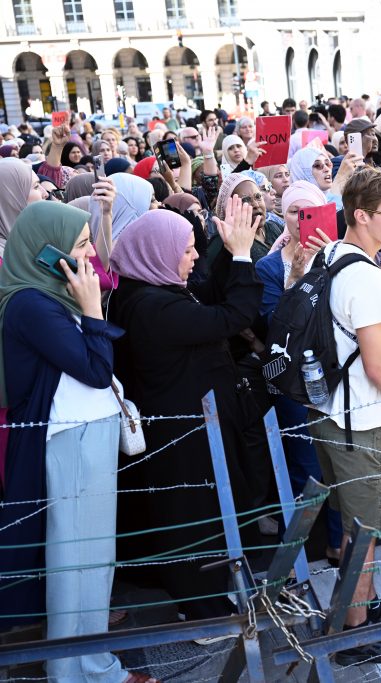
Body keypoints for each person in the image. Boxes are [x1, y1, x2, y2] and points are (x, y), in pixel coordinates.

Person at [0, 203, 154, 683]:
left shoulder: (46, 295)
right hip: (71, 439)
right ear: (46, 252)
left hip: (81, 435)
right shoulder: (31, 304)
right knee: (78, 560)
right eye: (82, 243)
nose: (89, 253)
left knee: (92, 557)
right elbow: (95, 370)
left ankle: (90, 663)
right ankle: (78, 670)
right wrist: (90, 308)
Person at [108, 201, 263, 622]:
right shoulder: (151, 305)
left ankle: (205, 595)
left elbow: (205, 296)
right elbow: (230, 316)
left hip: (191, 424)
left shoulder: (150, 288)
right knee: (194, 517)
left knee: (201, 511)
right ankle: (201, 611)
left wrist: (230, 252)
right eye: (187, 249)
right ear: (157, 251)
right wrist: (243, 256)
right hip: (185, 432)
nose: (195, 257)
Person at [306, 167, 381, 664]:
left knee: (355, 524)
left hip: (329, 411)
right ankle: (356, 632)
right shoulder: (366, 276)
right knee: (364, 530)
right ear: (361, 216)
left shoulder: (331, 254)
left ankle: (364, 609)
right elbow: (378, 366)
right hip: (359, 419)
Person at [253, 180, 345, 561]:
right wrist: (294, 277)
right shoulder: (269, 266)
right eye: (294, 211)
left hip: (337, 373)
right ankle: (290, 558)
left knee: (339, 461)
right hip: (293, 379)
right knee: (305, 468)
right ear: (283, 214)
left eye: (311, 212)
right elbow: (272, 325)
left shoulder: (339, 258)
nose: (301, 219)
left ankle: (339, 543)